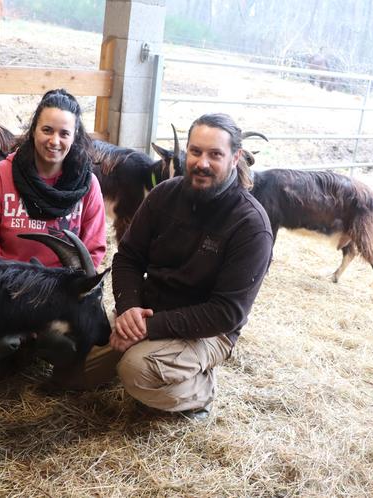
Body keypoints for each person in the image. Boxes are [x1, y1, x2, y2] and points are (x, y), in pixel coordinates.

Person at [110, 113, 273, 419]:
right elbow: (128, 257)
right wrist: (129, 308)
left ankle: (200, 393)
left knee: (135, 369)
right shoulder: (164, 194)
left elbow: (226, 312)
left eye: (215, 154)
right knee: (83, 362)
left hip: (208, 332)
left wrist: (148, 328)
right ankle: (146, 359)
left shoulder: (251, 226)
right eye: (196, 151)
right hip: (148, 310)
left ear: (235, 157)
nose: (202, 163)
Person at [0, 89, 107, 375]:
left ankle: (41, 345)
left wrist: (52, 305)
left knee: (74, 347)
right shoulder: (2, 176)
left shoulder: (88, 185)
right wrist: (18, 299)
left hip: (62, 296)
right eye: (47, 130)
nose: (54, 141)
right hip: (6, 291)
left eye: (64, 133)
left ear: (75, 136)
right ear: (33, 131)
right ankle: (7, 356)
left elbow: (93, 250)